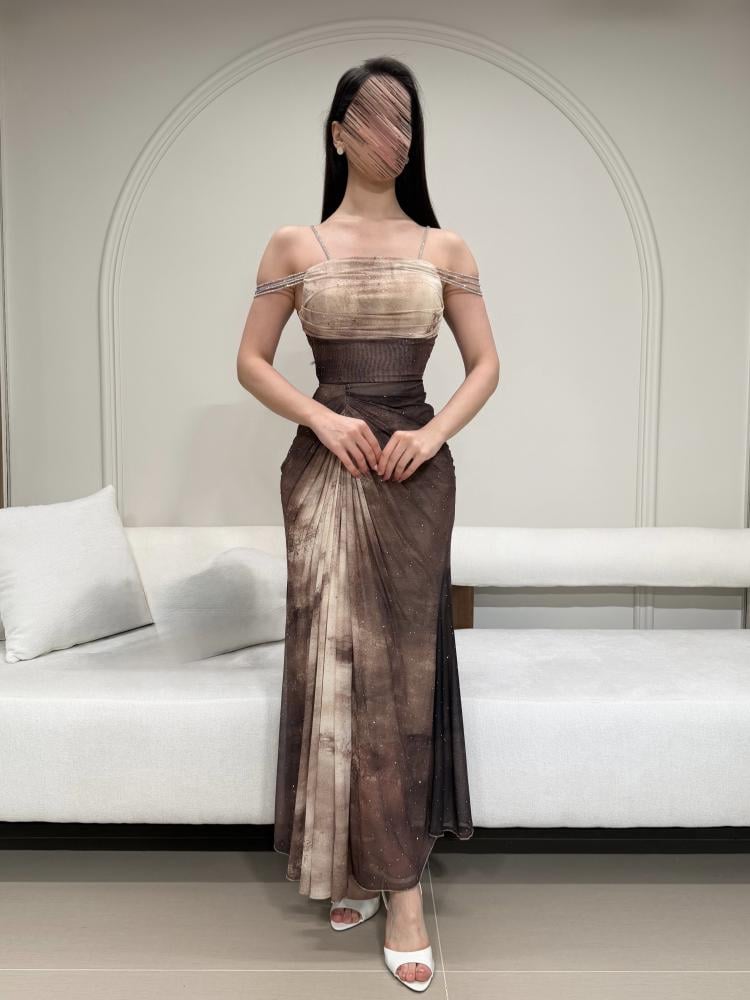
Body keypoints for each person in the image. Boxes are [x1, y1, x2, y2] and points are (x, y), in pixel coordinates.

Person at [237, 55, 499, 992]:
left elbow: (485, 366)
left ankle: (404, 888)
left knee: (403, 674)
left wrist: (432, 436)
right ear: (338, 133)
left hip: (412, 475)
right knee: (336, 666)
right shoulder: (294, 246)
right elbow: (251, 362)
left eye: (406, 122)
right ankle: (349, 861)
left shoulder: (445, 249)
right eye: (375, 118)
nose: (393, 137)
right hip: (327, 470)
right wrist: (320, 416)